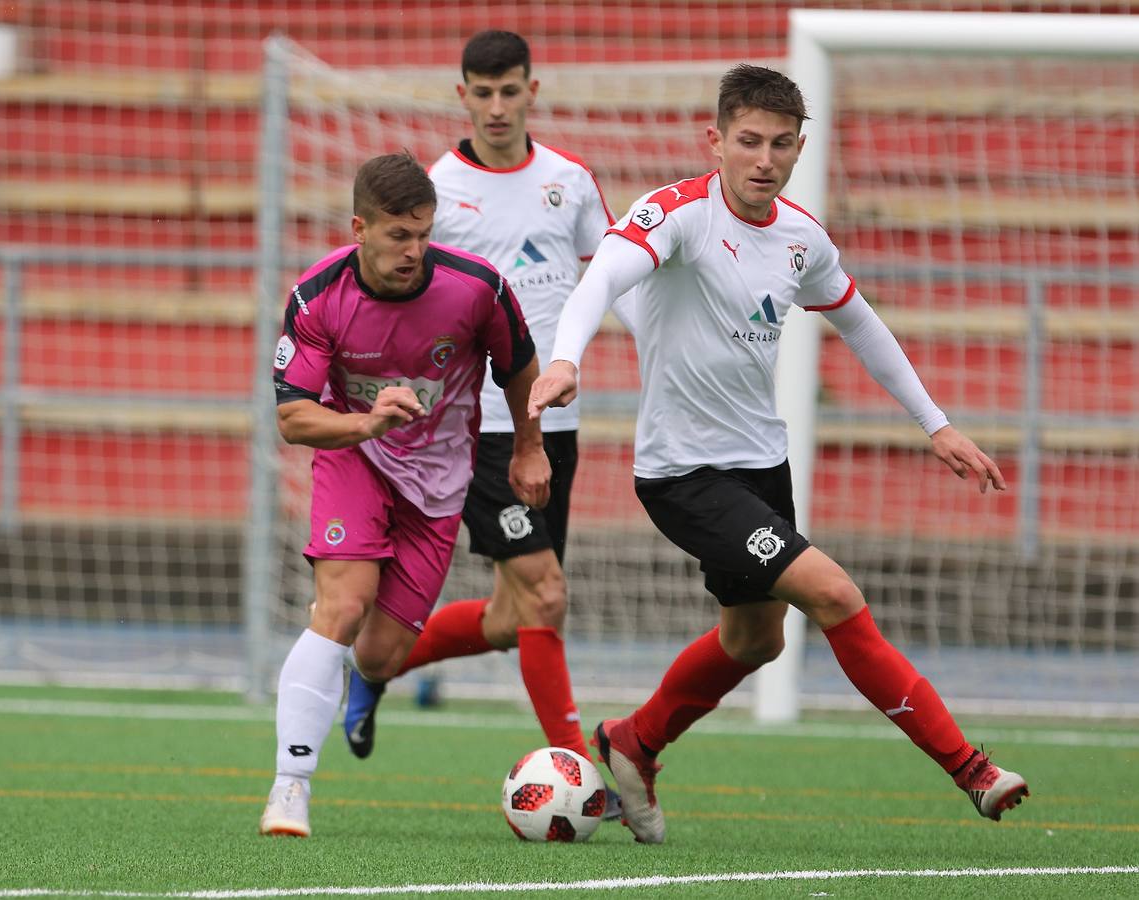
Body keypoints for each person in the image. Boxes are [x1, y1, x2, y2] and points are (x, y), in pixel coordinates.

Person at [528, 64, 1029, 844]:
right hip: (683, 474)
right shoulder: (677, 215)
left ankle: (634, 742)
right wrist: (566, 359)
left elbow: (862, 324)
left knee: (754, 639)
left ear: (800, 148)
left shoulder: (801, 237)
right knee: (832, 593)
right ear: (717, 140)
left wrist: (936, 424)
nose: (764, 158)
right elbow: (600, 281)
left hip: (760, 466)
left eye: (781, 144)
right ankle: (972, 769)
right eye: (749, 141)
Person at [341, 31, 631, 784]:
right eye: (483, 91)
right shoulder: (440, 192)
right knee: (547, 591)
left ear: (534, 91)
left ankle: (371, 669)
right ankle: (581, 769)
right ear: (461, 93)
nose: (497, 106)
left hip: (555, 425)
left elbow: (613, 283)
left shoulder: (570, 181)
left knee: (514, 617)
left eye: (511, 91)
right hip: (484, 432)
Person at [258, 151, 549, 838]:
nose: (413, 250)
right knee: (344, 605)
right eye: (397, 235)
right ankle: (290, 785)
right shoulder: (317, 296)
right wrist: (367, 422)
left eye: (423, 233)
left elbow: (522, 369)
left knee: (382, 654)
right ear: (360, 227)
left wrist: (531, 447)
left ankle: (360, 679)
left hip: (440, 482)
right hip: (354, 457)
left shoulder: (476, 289)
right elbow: (294, 416)